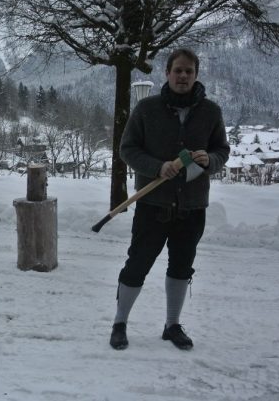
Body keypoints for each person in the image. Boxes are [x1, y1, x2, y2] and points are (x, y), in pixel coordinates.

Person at [109, 48, 230, 350]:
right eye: (178, 70)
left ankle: (172, 325)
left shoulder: (211, 112)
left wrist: (209, 161)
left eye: (189, 71)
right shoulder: (147, 109)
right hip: (153, 206)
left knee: (181, 267)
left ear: (196, 74)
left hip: (192, 207)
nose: (183, 76)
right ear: (167, 73)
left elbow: (221, 151)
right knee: (137, 265)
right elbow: (128, 149)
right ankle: (120, 322)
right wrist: (157, 167)